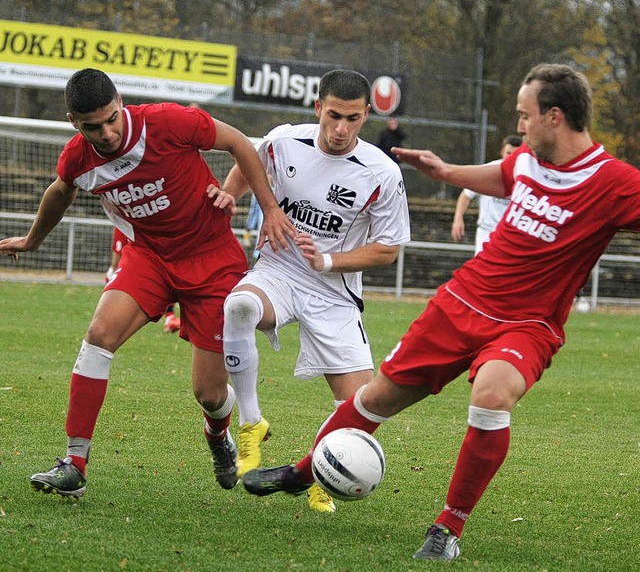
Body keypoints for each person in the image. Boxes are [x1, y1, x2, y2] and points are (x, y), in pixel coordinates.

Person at [240, 63, 640, 559]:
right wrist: (446, 172)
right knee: (377, 399)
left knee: (492, 397)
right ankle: (303, 473)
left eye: (524, 115)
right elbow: (503, 175)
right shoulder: (528, 160)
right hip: (461, 302)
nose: (518, 125)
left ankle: (447, 530)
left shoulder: (616, 182)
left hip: (527, 324)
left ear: (554, 117)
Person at [0, 68, 294, 498]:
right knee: (99, 335)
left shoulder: (169, 122)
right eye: (92, 127)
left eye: (111, 118)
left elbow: (239, 143)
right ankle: (74, 463)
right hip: (150, 258)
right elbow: (60, 191)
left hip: (212, 259)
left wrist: (268, 208)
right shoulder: (79, 157)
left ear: (121, 101)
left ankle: (218, 438)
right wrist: (31, 240)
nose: (106, 132)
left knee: (209, 393)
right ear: (73, 122)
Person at [217, 69, 411, 513]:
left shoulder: (381, 172)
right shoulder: (286, 141)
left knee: (358, 409)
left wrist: (327, 261)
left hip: (334, 291)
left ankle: (320, 473)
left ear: (366, 116)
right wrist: (230, 196)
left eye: (354, 120)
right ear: (318, 107)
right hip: (280, 270)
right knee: (240, 306)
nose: (341, 129)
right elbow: (249, 161)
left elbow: (387, 250)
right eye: (334, 116)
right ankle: (250, 423)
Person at [451, 134, 522, 254]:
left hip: (512, 235)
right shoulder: (489, 170)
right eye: (508, 153)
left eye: (515, 154)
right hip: (487, 232)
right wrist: (458, 219)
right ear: (502, 152)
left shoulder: (525, 175)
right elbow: (466, 194)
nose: (511, 157)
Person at [107, 227, 180, 333]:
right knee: (116, 264)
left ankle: (170, 316)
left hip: (147, 228)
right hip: (126, 223)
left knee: (165, 267)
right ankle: (110, 307)